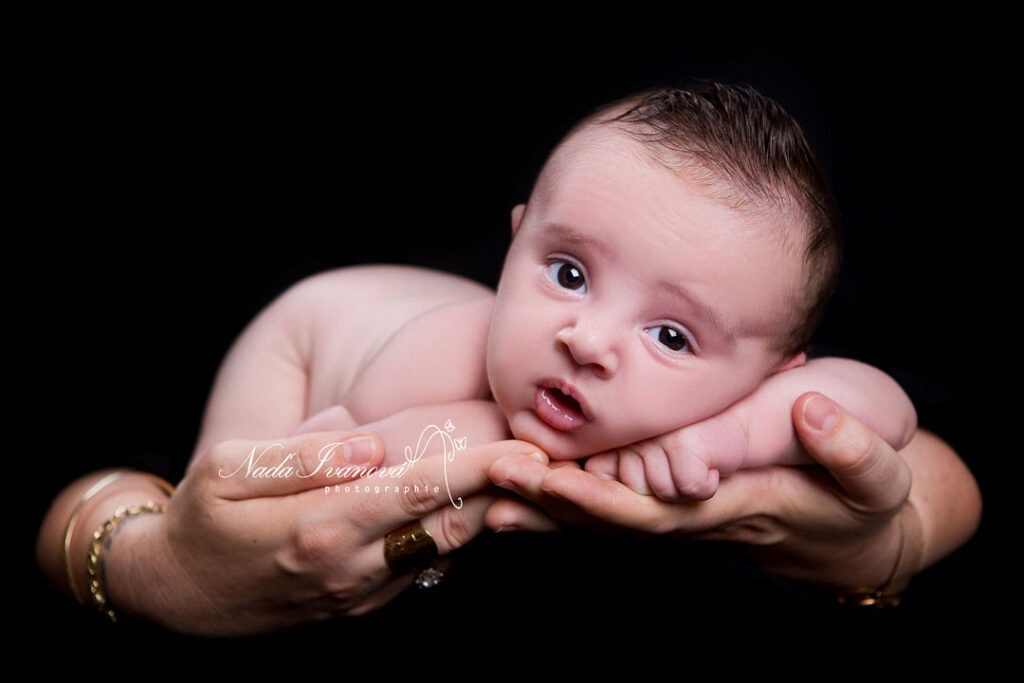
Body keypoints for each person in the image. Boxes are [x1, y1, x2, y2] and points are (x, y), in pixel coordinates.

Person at [34, 83, 981, 638]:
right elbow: (367, 447)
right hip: (318, 333)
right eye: (567, 272)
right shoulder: (447, 365)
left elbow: (878, 402)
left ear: (772, 372)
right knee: (236, 497)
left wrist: (739, 436)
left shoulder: (738, 413)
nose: (589, 339)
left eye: (672, 335)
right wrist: (319, 456)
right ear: (515, 243)